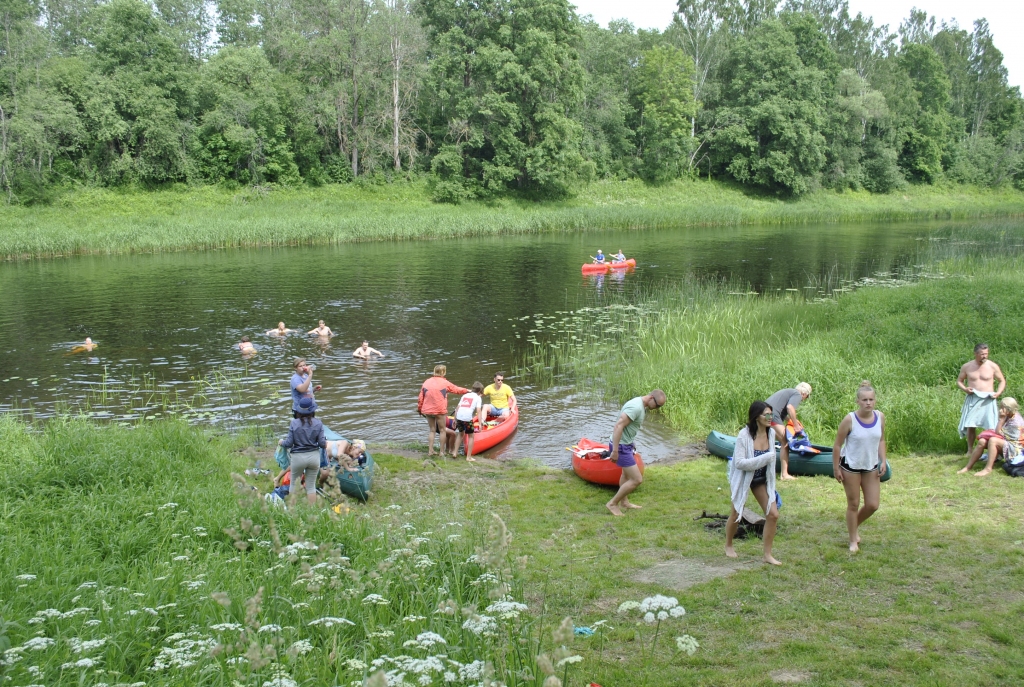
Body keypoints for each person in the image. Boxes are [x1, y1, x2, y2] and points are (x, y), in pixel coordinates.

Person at [832, 381, 887, 553]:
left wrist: (883, 460)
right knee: (853, 504)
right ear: (858, 401)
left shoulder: (880, 417)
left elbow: (882, 439)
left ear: (875, 400)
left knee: (872, 505)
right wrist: (836, 468)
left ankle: (854, 527)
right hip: (851, 467)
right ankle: (852, 539)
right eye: (864, 400)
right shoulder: (850, 419)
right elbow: (837, 445)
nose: (868, 403)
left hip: (871, 466)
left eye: (871, 399)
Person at [725, 401, 782, 565]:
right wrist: (765, 458)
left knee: (773, 514)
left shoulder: (771, 434)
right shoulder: (744, 435)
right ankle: (728, 545)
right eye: (767, 414)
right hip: (743, 479)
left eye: (772, 414)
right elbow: (740, 463)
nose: (770, 418)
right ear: (757, 417)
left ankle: (767, 555)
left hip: (761, 479)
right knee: (736, 514)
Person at [605, 389, 666, 517]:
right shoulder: (636, 407)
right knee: (637, 479)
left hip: (626, 445)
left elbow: (628, 428)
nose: (658, 408)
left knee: (626, 475)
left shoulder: (641, 405)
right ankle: (612, 503)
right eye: (658, 405)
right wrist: (615, 451)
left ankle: (624, 502)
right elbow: (618, 426)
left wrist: (631, 443)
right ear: (651, 398)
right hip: (620, 447)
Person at [957, 343, 1005, 455]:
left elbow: (1002, 380)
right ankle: (970, 450)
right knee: (970, 425)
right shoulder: (967, 366)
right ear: (976, 354)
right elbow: (959, 381)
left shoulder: (992, 366)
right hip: (973, 398)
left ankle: (992, 451)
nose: (985, 356)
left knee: (991, 425)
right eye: (982, 354)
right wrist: (965, 389)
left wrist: (998, 393)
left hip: (988, 398)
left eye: (986, 354)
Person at [278, 397, 326, 506]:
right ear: (313, 410)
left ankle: (292, 510)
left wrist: (281, 442)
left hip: (298, 457)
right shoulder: (318, 423)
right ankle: (312, 511)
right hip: (314, 457)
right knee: (310, 486)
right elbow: (322, 444)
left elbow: (289, 443)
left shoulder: (294, 423)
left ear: (299, 411)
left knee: (294, 485)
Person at [959, 397, 1022, 477]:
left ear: (1008, 409)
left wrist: (1001, 419)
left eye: (1002, 407)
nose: (1000, 409)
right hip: (1005, 442)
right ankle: (968, 467)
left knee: (993, 440)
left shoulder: (1016, 422)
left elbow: (999, 433)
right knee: (982, 441)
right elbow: (1000, 433)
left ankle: (988, 468)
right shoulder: (1008, 415)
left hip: (1015, 448)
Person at [417, 365, 468, 457]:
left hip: (427, 410)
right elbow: (456, 390)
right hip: (440, 409)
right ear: (443, 372)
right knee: (442, 430)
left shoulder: (426, 382)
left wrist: (420, 409)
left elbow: (421, 398)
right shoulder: (445, 382)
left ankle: (430, 451)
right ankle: (441, 452)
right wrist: (467, 390)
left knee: (432, 430)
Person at [765, 383, 813, 480]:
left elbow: (780, 408)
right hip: (772, 416)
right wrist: (795, 425)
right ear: (804, 394)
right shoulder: (797, 394)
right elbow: (790, 407)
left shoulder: (789, 392)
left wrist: (790, 420)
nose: (804, 399)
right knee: (785, 442)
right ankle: (784, 475)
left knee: (766, 439)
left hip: (763, 413)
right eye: (807, 397)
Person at [453, 382, 485, 461]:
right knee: (471, 436)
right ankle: (468, 457)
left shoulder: (465, 395)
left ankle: (455, 452)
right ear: (480, 391)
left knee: (460, 434)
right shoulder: (478, 398)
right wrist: (480, 423)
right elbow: (479, 411)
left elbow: (457, 407)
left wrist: (454, 419)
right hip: (467, 419)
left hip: (459, 417)